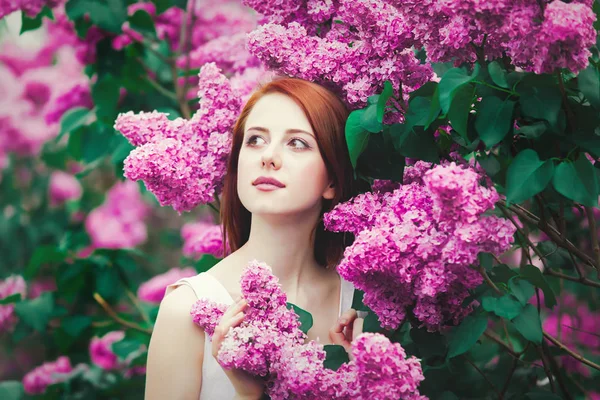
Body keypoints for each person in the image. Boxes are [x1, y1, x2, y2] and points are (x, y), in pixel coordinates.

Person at [145, 77, 366, 400]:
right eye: (255, 140)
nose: (269, 157)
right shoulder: (188, 309)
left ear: (331, 180)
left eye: (297, 143)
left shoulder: (359, 307)